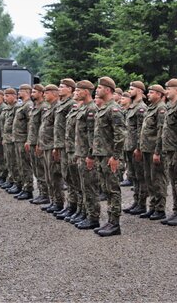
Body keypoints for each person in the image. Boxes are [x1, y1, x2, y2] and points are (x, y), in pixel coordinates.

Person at [88, 77, 126, 237]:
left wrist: (115, 156)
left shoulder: (114, 109)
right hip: (101, 156)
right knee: (106, 189)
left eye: (100, 88)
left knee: (113, 190)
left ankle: (114, 224)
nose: (97, 90)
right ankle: (110, 221)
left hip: (110, 157)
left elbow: (121, 135)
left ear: (108, 90)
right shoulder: (103, 109)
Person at [157, 79, 177, 226]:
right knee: (174, 182)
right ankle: (176, 211)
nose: (166, 91)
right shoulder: (170, 106)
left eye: (168, 89)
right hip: (169, 150)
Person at [136, 84, 168, 221]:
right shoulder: (151, 108)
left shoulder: (161, 108)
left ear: (160, 95)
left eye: (152, 92)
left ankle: (160, 209)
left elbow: (161, 131)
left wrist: (157, 151)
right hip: (147, 149)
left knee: (158, 180)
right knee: (149, 179)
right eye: (148, 92)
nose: (148, 94)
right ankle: (153, 206)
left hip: (155, 149)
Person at [73, 80, 101, 229]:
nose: (76, 92)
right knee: (84, 186)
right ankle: (85, 213)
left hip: (87, 155)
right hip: (81, 153)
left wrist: (90, 156)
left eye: (79, 90)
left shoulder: (91, 109)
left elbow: (93, 136)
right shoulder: (83, 108)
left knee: (90, 187)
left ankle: (93, 218)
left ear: (86, 91)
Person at [53, 78, 77, 218]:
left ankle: (73, 207)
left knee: (71, 178)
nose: (59, 88)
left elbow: (72, 129)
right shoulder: (61, 104)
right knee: (66, 177)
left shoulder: (72, 104)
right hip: (61, 145)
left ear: (70, 89)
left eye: (62, 86)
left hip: (69, 146)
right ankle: (70, 206)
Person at [124, 81, 148, 215]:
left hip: (135, 148)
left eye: (132, 88)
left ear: (139, 90)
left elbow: (141, 131)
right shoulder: (132, 107)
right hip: (129, 146)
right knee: (134, 176)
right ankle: (136, 201)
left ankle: (142, 203)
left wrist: (138, 148)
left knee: (140, 176)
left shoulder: (141, 108)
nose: (129, 90)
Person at [38, 84, 62, 213]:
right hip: (46, 145)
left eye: (47, 93)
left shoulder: (57, 107)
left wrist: (56, 147)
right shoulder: (49, 108)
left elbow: (58, 130)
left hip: (52, 146)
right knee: (48, 176)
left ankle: (58, 202)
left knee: (54, 176)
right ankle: (53, 200)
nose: (44, 95)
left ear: (54, 93)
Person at [26, 84, 50, 205]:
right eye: (32, 92)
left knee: (41, 170)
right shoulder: (35, 107)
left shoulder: (44, 107)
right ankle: (41, 193)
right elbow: (31, 126)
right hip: (33, 142)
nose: (32, 94)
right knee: (36, 168)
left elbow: (43, 127)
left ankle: (45, 194)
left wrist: (39, 143)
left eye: (35, 92)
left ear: (41, 93)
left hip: (39, 143)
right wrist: (29, 141)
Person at [12, 84, 34, 200]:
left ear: (27, 91)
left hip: (23, 139)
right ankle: (22, 186)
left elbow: (31, 124)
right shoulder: (22, 105)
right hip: (18, 139)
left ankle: (28, 189)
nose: (19, 92)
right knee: (20, 164)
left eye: (21, 90)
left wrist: (28, 140)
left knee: (25, 165)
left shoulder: (29, 105)